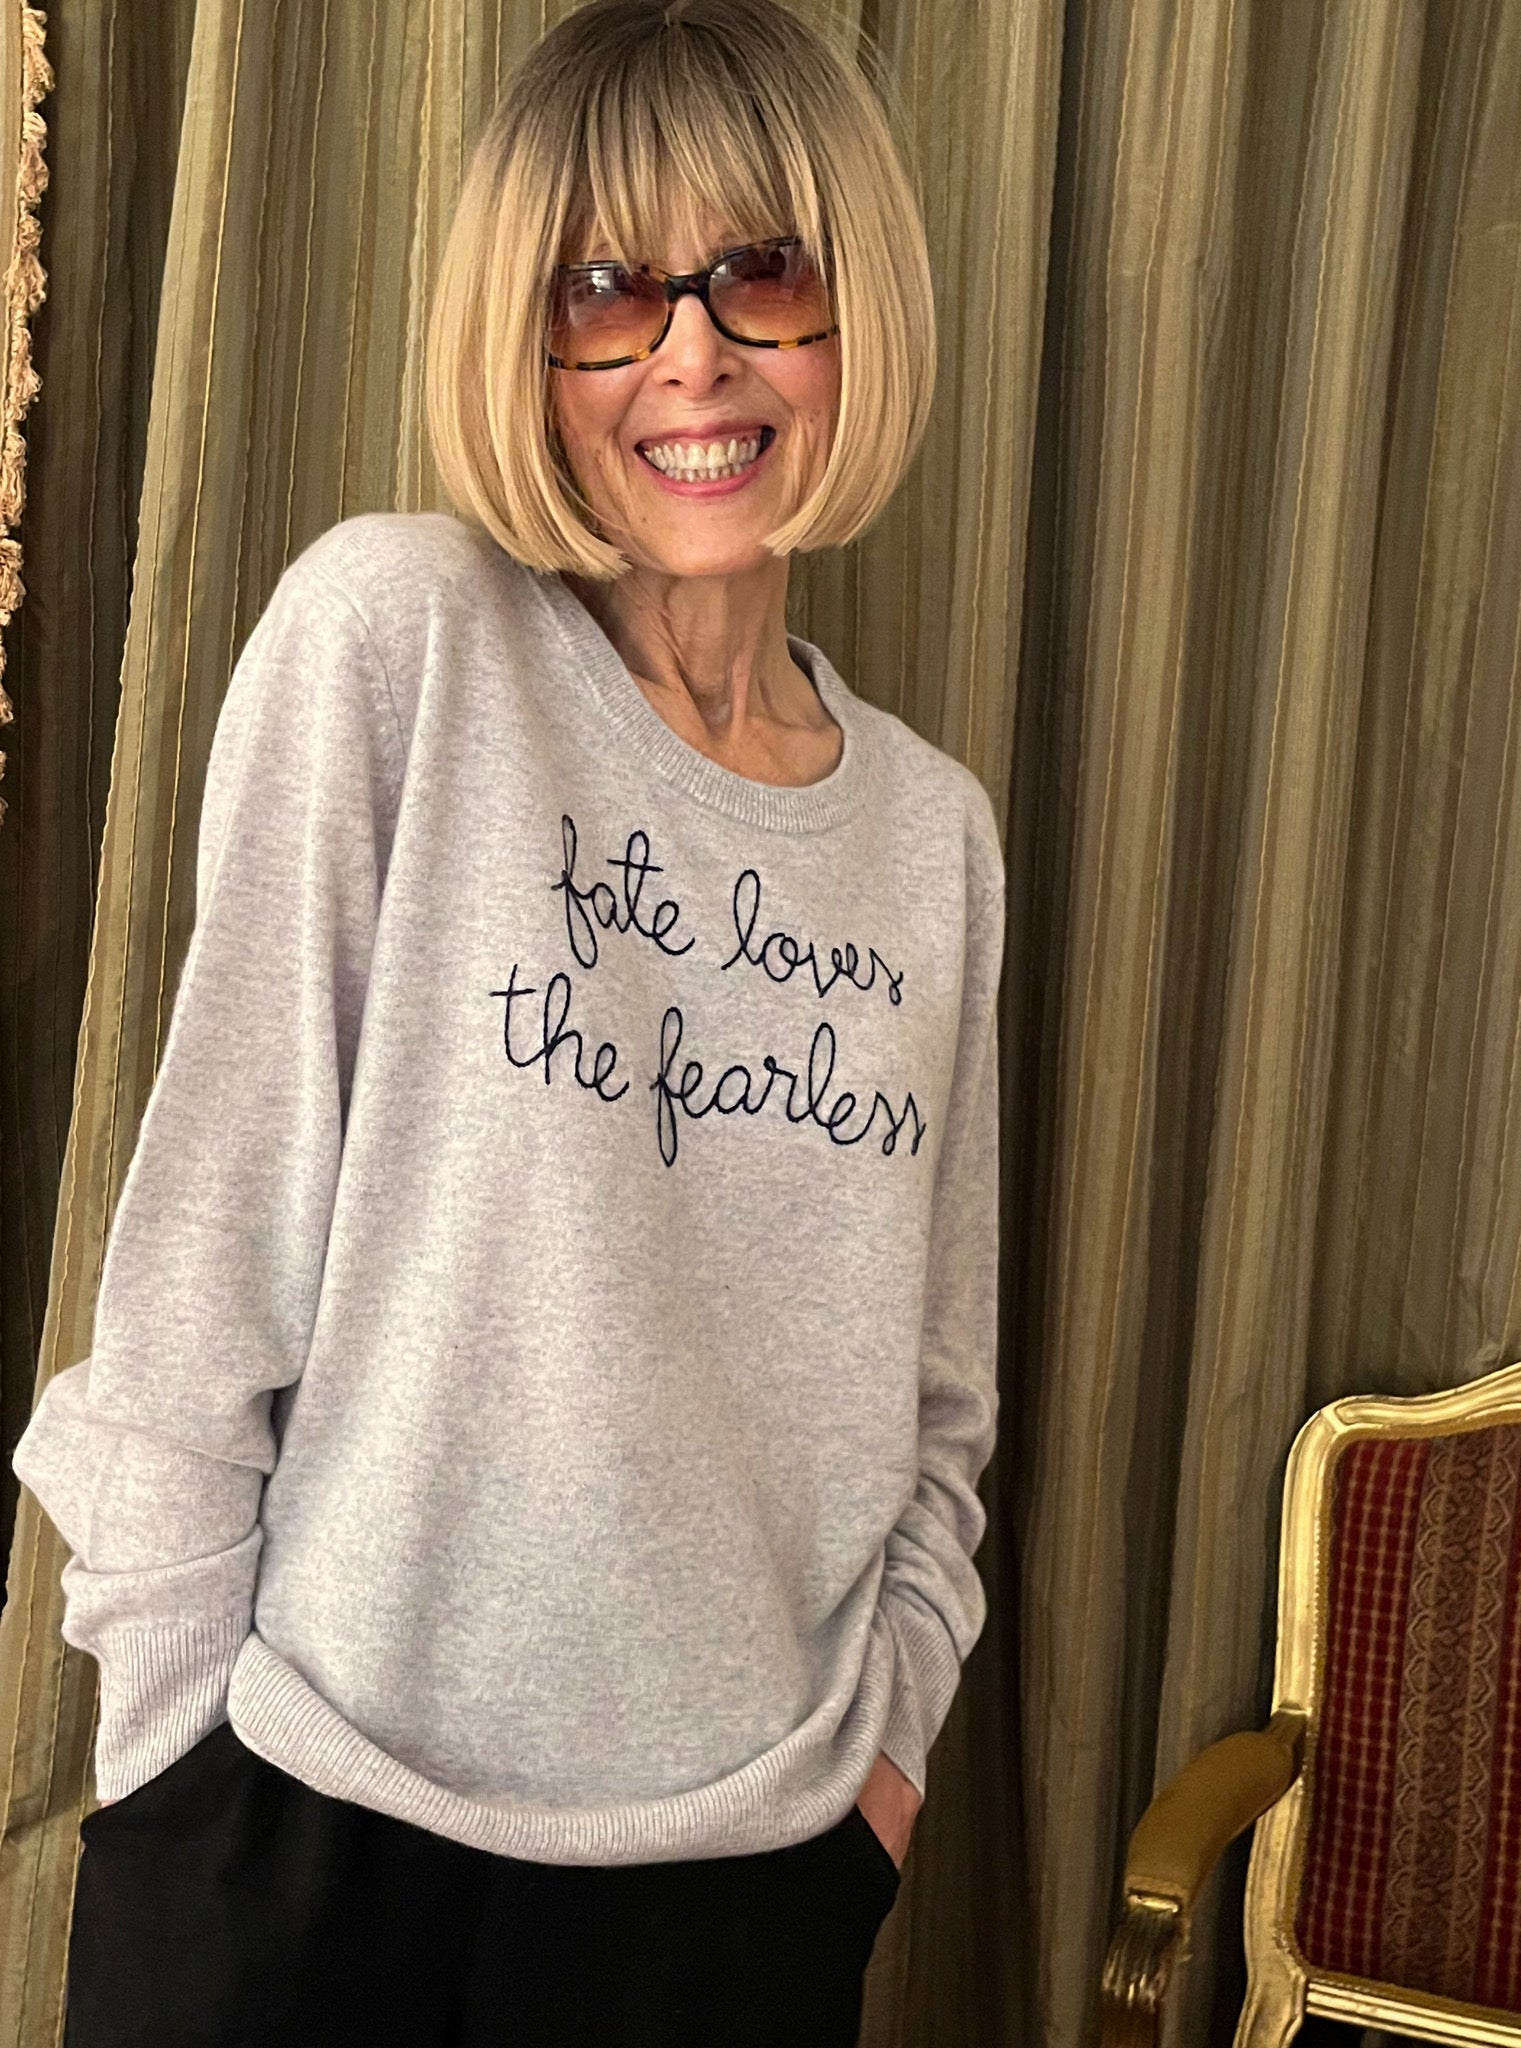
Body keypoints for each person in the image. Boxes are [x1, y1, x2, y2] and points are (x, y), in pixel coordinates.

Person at [11, 0, 1007, 2040]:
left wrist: (873, 1793)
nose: (691, 357)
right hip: (303, 1841)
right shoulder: (396, 641)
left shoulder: (934, 839)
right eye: (604, 292)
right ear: (523, 344)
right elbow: (203, 1268)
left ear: (855, 313)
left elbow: (936, 1409)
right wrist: (183, 1773)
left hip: (736, 1899)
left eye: (762, 271)